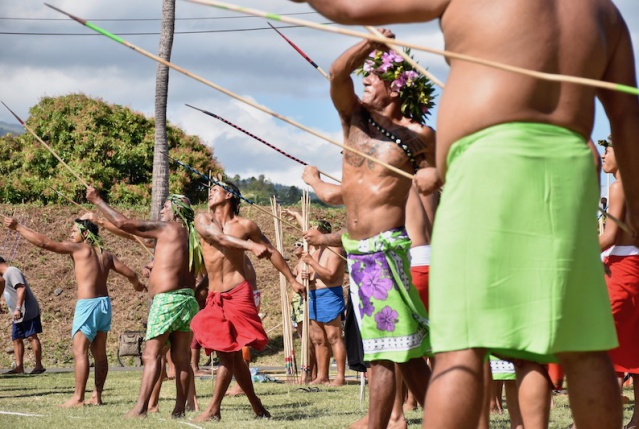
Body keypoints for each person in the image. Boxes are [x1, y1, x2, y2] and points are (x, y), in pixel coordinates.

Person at [292, 1, 639, 428]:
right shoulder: (605, 13)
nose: (368, 81)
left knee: (461, 347)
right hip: (565, 163)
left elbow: (351, 7)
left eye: (376, 77)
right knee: (582, 345)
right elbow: (627, 117)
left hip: (485, 161)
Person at [301, 27, 435, 428]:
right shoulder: (354, 118)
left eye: (374, 75)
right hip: (358, 253)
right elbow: (337, 74)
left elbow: (438, 177)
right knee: (405, 350)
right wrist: (369, 46)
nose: (365, 80)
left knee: (384, 349)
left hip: (385, 251)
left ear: (397, 86)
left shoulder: (418, 135)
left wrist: (433, 175)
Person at [190, 181, 305, 421]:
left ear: (229, 195)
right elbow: (219, 238)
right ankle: (257, 406)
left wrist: (292, 280)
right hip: (214, 296)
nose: (210, 193)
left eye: (215, 189)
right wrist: (250, 245)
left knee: (229, 353)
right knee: (231, 356)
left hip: (239, 292)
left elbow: (271, 252)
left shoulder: (246, 225)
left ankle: (213, 409)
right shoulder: (202, 219)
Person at [86, 187, 201, 418]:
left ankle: (140, 409)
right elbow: (134, 235)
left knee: (150, 355)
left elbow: (124, 223)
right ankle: (179, 409)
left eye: (165, 207)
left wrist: (98, 200)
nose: (161, 211)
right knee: (181, 358)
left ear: (176, 211)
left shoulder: (168, 228)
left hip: (167, 301)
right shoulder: (191, 235)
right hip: (188, 300)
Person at [4, 216, 143, 406]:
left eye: (74, 230)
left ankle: (78, 398)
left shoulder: (79, 249)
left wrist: (18, 227)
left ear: (85, 234)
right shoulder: (106, 254)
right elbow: (132, 274)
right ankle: (97, 396)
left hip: (88, 305)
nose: (70, 233)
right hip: (104, 305)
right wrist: (137, 285)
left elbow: (45, 243)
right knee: (100, 354)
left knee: (80, 351)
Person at [600, 141, 639, 429]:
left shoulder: (619, 187)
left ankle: (601, 418)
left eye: (609, 149)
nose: (603, 155)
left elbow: (610, 236)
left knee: (605, 346)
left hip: (621, 270)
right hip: (635, 268)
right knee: (635, 346)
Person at [284, 210, 347, 386]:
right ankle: (322, 376)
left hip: (329, 294)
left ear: (323, 232)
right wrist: (309, 277)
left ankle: (340, 377)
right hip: (313, 295)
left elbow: (331, 275)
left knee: (334, 336)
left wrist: (311, 262)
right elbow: (306, 230)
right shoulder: (314, 250)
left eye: (314, 230)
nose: (309, 233)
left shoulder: (335, 248)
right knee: (318, 339)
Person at [0, 258, 45, 375]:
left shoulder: (11, 271)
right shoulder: (4, 276)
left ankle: (38, 366)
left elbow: (21, 288)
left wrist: (18, 308)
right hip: (17, 312)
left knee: (31, 336)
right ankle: (19, 367)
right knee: (17, 339)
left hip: (26, 309)